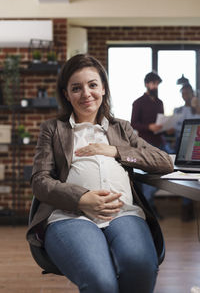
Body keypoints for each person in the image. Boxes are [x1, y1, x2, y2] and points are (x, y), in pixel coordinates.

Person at [26, 54, 173, 293]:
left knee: (141, 267)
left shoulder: (121, 129)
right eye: (76, 88)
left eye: (92, 85)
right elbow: (40, 182)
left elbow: (164, 161)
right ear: (66, 94)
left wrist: (116, 151)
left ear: (103, 88)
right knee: (100, 282)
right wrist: (81, 198)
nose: (86, 93)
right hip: (70, 215)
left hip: (124, 213)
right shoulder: (53, 129)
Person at [131, 72, 169, 217]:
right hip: (146, 145)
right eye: (153, 83)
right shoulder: (138, 102)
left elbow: (161, 123)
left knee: (170, 172)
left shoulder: (159, 103)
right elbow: (133, 123)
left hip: (161, 142)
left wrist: (166, 127)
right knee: (148, 179)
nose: (155, 86)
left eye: (157, 83)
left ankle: (149, 206)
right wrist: (149, 127)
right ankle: (149, 210)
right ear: (147, 84)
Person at [173, 83, 200, 221]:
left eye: (187, 93)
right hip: (180, 142)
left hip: (196, 141)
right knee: (184, 174)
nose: (185, 96)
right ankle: (186, 208)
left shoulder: (196, 109)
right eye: (183, 94)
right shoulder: (178, 110)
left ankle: (189, 207)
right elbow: (174, 127)